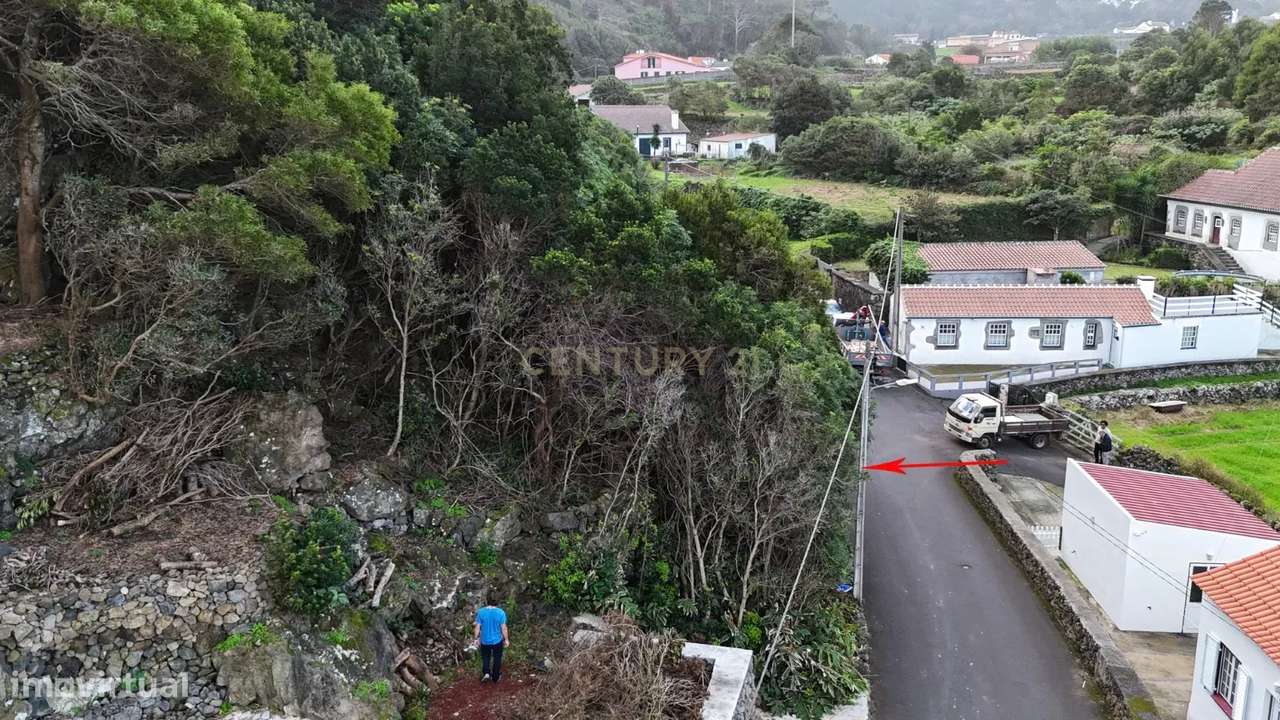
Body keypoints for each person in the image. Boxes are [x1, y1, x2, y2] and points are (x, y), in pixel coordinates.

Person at [474, 594, 509, 683]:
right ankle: (496, 677)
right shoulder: (501, 612)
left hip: (484, 640)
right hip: (497, 640)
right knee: (497, 657)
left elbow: (477, 627)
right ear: (497, 601)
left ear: (487, 600)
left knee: (486, 657)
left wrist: (476, 638)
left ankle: (486, 673)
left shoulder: (481, 612)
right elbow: (503, 628)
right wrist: (506, 639)